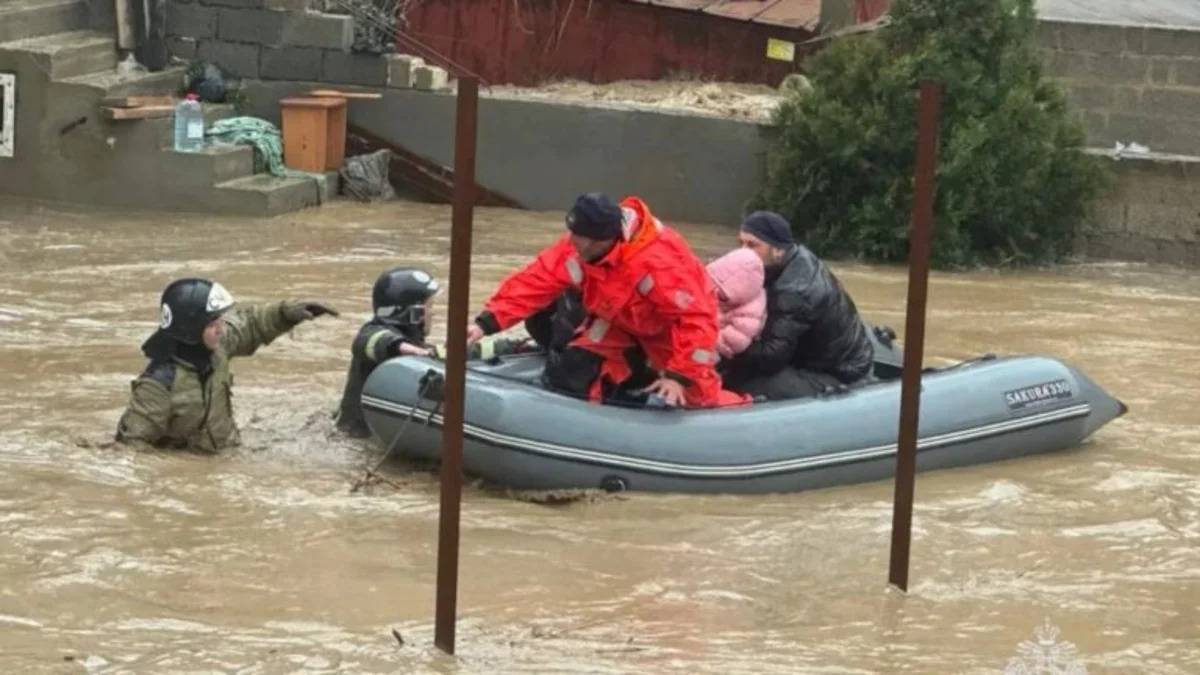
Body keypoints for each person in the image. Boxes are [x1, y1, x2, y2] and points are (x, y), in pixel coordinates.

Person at [465, 192, 747, 409]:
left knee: (696, 399)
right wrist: (485, 323)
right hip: (618, 324)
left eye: (579, 237)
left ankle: (745, 406)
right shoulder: (580, 246)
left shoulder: (658, 263)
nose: (571, 240)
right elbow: (536, 280)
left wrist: (679, 377)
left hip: (667, 334)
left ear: (602, 240)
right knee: (575, 365)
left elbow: (697, 318)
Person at [114, 277, 339, 453]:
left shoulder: (218, 347)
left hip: (226, 452)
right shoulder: (159, 385)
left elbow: (251, 324)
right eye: (213, 324)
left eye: (220, 321)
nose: (221, 329)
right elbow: (132, 448)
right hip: (195, 471)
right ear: (190, 329)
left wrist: (286, 313)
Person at [334, 266, 535, 437]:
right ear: (414, 313)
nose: (433, 312)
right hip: (357, 435)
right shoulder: (375, 333)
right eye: (429, 306)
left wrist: (515, 347)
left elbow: (454, 353)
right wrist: (399, 346)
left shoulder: (417, 347)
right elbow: (367, 341)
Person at [719, 210, 874, 399]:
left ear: (778, 250)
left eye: (752, 245)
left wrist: (722, 347)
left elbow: (771, 356)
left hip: (838, 374)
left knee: (735, 381)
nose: (743, 253)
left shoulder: (795, 290)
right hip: (813, 354)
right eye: (740, 244)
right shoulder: (784, 262)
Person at [705, 247, 767, 361]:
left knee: (694, 359)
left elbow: (733, 343)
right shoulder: (714, 287)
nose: (714, 292)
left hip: (719, 352)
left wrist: (703, 335)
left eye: (721, 294)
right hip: (705, 331)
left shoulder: (750, 315)